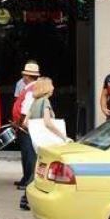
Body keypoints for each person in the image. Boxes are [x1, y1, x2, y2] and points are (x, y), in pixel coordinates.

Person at [20, 76, 71, 210]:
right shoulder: (45, 102)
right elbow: (48, 123)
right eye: (52, 84)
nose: (53, 87)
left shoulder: (34, 102)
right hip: (46, 143)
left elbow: (25, 123)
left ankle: (27, 198)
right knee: (42, 170)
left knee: (38, 169)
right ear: (46, 88)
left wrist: (36, 129)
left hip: (36, 141)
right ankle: (27, 198)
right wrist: (63, 136)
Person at [13, 61, 40, 190]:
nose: (23, 77)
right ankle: (25, 178)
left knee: (29, 154)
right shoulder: (30, 88)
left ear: (27, 76)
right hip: (24, 126)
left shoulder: (30, 90)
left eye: (24, 75)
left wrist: (19, 124)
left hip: (25, 127)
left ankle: (29, 180)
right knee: (26, 153)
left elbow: (25, 111)